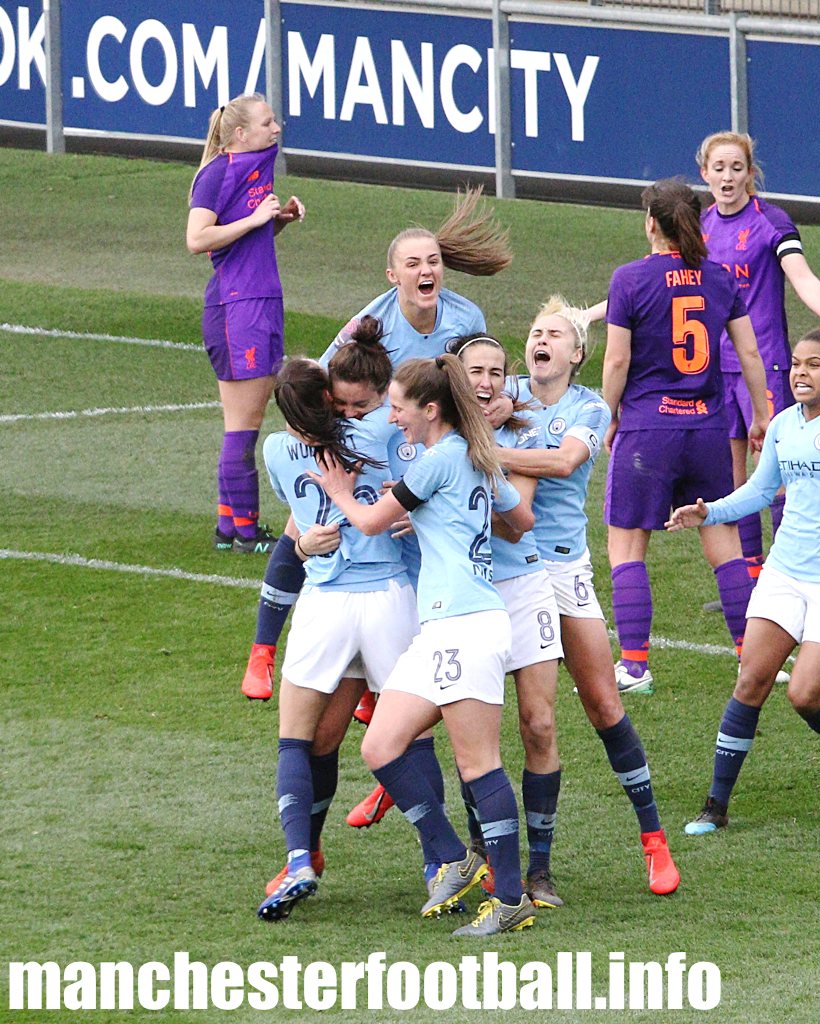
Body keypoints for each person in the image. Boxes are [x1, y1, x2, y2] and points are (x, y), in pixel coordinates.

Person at [241, 187, 512, 702]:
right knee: (311, 521)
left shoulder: (465, 318)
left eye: (432, 260)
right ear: (394, 276)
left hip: (422, 442)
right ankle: (262, 649)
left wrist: (500, 401)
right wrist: (330, 434)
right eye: (413, 263)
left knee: (409, 546)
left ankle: (378, 685)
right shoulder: (371, 325)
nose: (425, 270)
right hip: (367, 432)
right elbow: (319, 380)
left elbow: (480, 375)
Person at [310, 355, 538, 938]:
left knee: (477, 763)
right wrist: (441, 519)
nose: (393, 418)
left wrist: (339, 489)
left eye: (398, 408)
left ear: (430, 409)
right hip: (441, 628)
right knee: (382, 745)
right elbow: (522, 520)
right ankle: (454, 855)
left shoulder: (439, 458)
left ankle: (510, 898)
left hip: (466, 625)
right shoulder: (474, 455)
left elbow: (367, 522)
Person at [666, 323, 820, 834]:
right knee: (750, 681)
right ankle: (716, 805)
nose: (800, 372)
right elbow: (761, 489)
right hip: (785, 571)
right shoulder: (783, 425)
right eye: (796, 363)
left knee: (803, 694)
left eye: (814, 365)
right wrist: (708, 511)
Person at [259, 319, 451, 905]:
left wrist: (301, 543)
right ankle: (439, 863)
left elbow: (300, 520)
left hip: (326, 604)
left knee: (302, 740)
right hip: (394, 598)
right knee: (411, 738)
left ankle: (298, 860)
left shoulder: (277, 449)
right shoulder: (388, 435)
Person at [498, 296, 680, 896]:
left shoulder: (589, 407)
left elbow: (565, 460)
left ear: (578, 353)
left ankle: (654, 841)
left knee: (603, 704)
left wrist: (489, 448)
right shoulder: (504, 391)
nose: (539, 340)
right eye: (533, 330)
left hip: (562, 569)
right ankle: (503, 854)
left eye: (554, 333)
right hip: (501, 569)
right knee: (526, 721)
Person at [602, 176, 770, 695]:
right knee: (723, 544)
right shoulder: (720, 278)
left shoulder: (629, 279)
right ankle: (754, 658)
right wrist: (762, 414)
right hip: (706, 429)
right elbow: (748, 354)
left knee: (628, 545)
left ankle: (633, 666)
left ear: (651, 222)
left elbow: (617, 358)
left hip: (648, 428)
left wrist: (607, 416)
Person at [697, 131, 820, 578]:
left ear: (750, 173)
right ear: (704, 173)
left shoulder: (771, 221)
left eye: (737, 168)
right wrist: (591, 314)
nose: (728, 177)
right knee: (733, 475)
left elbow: (800, 275)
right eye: (719, 168)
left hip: (764, 362)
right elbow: (654, 279)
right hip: (713, 367)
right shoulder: (700, 225)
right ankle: (751, 570)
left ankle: (790, 564)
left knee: (774, 468)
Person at [451, 332, 565, 909]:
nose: (488, 381)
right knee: (476, 737)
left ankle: (540, 870)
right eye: (476, 370)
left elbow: (514, 524)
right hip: (467, 595)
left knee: (538, 724)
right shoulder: (437, 434)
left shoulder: (522, 432)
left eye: (497, 371)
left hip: (522, 588)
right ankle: (487, 854)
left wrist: (476, 458)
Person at [187, 93, 305, 555]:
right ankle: (246, 534)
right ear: (240, 133)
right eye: (267, 122)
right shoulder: (217, 172)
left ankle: (227, 529)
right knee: (244, 423)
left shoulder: (256, 166)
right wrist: (256, 217)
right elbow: (197, 238)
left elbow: (244, 236)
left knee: (242, 422)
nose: (276, 128)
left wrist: (277, 221)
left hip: (255, 302)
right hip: (239, 308)